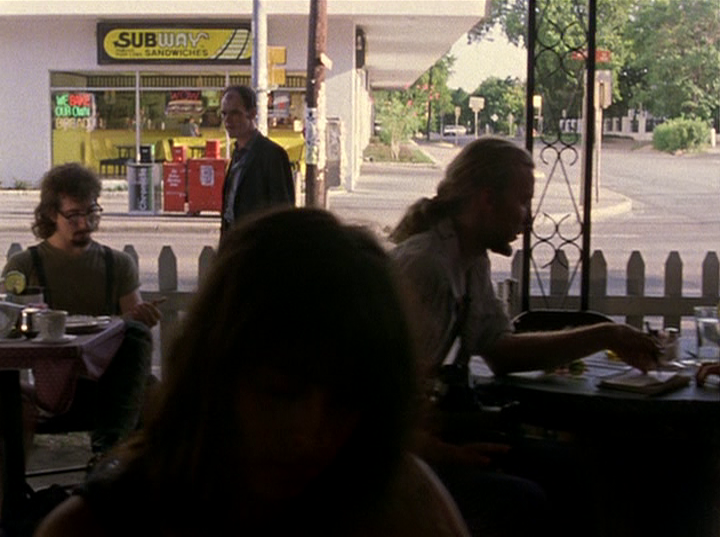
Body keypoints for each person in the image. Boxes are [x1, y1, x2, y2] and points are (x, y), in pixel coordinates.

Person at [35, 208, 471, 537]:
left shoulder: (400, 501)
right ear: (214, 370)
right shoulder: (102, 524)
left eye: (345, 401)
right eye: (279, 391)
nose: (308, 431)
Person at [390, 136, 661, 536]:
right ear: (486, 200)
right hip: (395, 461)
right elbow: (379, 403)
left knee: (568, 465)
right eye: (523, 202)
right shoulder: (426, 268)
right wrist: (447, 453)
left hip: (426, 445)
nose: (527, 218)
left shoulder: (468, 258)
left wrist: (606, 335)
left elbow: (500, 350)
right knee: (528, 497)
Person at [1, 163, 161, 456]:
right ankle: (14, 496)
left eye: (92, 213)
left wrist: (142, 317)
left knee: (156, 389)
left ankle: (121, 471)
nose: (85, 223)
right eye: (74, 215)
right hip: (53, 387)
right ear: (52, 214)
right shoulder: (25, 266)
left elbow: (134, 327)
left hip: (108, 382)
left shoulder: (117, 264)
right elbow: (6, 325)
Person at [219, 85, 295, 238]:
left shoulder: (272, 155)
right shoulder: (237, 154)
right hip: (236, 245)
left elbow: (283, 210)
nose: (228, 120)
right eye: (224, 114)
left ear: (252, 113)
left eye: (235, 113)